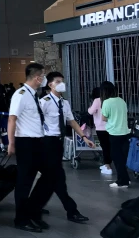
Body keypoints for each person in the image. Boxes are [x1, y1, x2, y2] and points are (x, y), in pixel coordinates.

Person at [30, 72, 93, 224]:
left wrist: (84, 137)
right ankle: (71, 210)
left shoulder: (64, 103)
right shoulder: (44, 102)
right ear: (50, 85)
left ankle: (34, 205)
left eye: (62, 81)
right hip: (47, 142)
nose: (61, 84)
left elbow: (71, 121)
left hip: (59, 142)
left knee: (52, 179)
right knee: (58, 178)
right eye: (58, 81)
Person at [7, 63, 48, 233]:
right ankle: (21, 219)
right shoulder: (21, 95)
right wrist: (11, 143)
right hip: (26, 143)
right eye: (43, 76)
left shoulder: (33, 95)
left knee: (51, 176)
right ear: (37, 78)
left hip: (37, 142)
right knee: (24, 182)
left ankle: (32, 212)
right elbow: (12, 119)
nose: (44, 79)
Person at [100, 81, 131, 188]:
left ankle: (122, 181)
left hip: (114, 133)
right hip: (125, 132)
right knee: (122, 158)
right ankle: (126, 178)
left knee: (117, 158)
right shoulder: (122, 101)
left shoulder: (106, 102)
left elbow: (104, 118)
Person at [88, 87, 112, 175]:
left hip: (100, 127)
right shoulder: (110, 100)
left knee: (105, 147)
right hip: (110, 127)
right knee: (109, 147)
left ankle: (107, 166)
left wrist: (89, 108)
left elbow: (91, 112)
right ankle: (108, 164)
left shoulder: (97, 100)